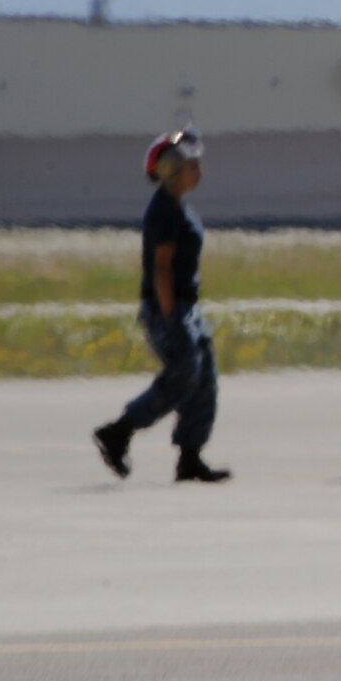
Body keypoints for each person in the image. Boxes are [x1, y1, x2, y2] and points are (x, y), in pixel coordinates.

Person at [93, 130, 230, 483]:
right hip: (169, 308)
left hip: (187, 307)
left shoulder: (178, 206)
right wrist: (170, 316)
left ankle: (190, 458)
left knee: (204, 381)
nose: (199, 171)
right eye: (191, 166)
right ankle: (119, 431)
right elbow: (162, 266)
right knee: (182, 375)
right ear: (171, 170)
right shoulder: (164, 211)